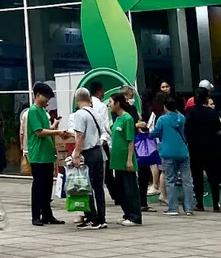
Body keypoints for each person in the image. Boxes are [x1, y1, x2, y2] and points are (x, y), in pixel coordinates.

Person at [26, 82, 67, 226]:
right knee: (39, 186)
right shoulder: (33, 111)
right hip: (38, 155)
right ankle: (36, 216)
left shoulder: (43, 110)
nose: (48, 101)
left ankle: (47, 215)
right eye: (46, 97)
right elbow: (39, 132)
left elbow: (45, 129)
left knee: (47, 186)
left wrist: (54, 127)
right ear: (37, 95)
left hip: (47, 154)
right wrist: (57, 132)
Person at [69, 87, 107, 230]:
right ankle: (102, 218)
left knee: (87, 186)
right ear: (89, 99)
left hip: (88, 153)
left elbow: (80, 136)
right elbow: (103, 132)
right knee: (99, 187)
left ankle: (92, 218)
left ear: (77, 100)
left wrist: (76, 154)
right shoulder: (96, 113)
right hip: (98, 151)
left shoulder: (79, 114)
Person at [151, 97, 193, 216]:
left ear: (165, 107)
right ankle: (189, 208)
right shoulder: (182, 118)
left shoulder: (162, 119)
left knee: (170, 180)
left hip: (168, 152)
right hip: (183, 151)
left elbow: (154, 133)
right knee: (187, 180)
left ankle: (173, 208)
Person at [108, 93, 141, 226]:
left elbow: (130, 141)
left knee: (130, 189)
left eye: (110, 102)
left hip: (125, 160)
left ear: (117, 103)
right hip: (117, 160)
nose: (109, 105)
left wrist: (129, 159)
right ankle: (127, 214)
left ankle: (135, 216)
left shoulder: (128, 119)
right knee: (121, 190)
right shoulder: (117, 119)